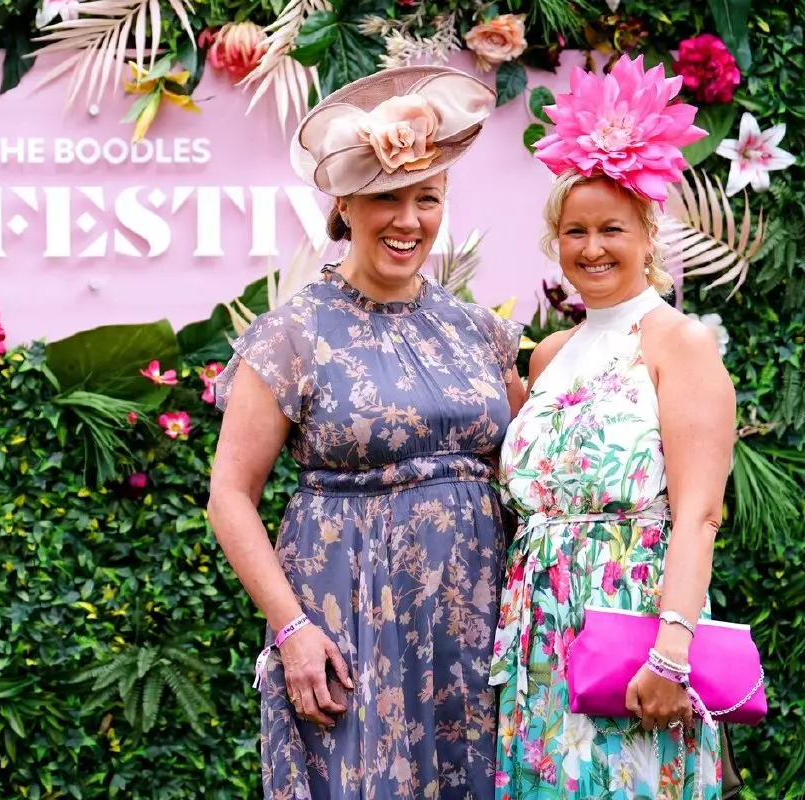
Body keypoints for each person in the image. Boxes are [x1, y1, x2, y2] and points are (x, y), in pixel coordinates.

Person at [208, 64, 526, 799]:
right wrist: (292, 630)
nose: (408, 220)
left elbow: (533, 463)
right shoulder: (291, 334)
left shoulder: (477, 331)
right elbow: (229, 496)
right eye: (386, 197)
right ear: (345, 206)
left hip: (475, 617)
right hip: (347, 612)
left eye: (427, 198)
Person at [489, 55, 735, 798]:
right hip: (537, 635)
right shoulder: (548, 355)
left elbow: (699, 515)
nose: (591, 247)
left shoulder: (679, 343)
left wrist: (671, 652)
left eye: (611, 229)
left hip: (635, 628)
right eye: (575, 231)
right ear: (555, 241)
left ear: (648, 236)